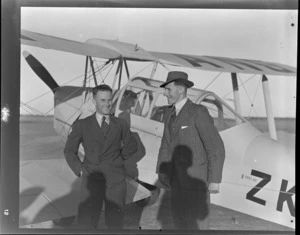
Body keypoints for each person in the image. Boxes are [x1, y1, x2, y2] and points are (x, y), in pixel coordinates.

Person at [156, 71, 225, 230]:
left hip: (196, 184)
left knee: (197, 228)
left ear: (181, 90)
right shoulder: (169, 113)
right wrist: (163, 171)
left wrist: (215, 180)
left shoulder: (198, 112)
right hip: (176, 183)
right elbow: (166, 144)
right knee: (180, 225)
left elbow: (215, 146)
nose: (165, 93)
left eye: (168, 89)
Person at [64, 84, 138, 229]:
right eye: (103, 100)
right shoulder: (82, 125)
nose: (107, 104)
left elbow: (132, 146)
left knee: (115, 224)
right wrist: (80, 169)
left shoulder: (121, 124)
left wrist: (116, 159)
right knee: (87, 223)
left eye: (110, 100)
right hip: (91, 179)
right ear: (94, 101)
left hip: (116, 180)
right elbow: (69, 150)